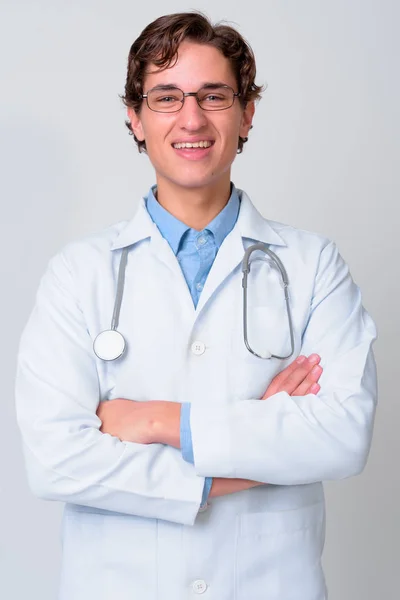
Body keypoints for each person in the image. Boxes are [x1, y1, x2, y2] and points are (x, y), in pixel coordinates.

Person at [15, 11, 377, 600]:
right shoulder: (78, 273)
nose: (192, 118)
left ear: (246, 113)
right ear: (134, 118)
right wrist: (252, 449)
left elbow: (342, 434)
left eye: (214, 95)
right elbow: (57, 460)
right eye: (165, 97)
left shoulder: (314, 265)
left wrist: (158, 420)